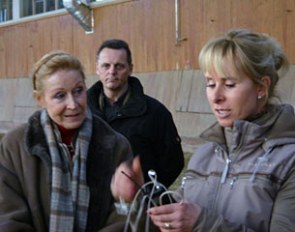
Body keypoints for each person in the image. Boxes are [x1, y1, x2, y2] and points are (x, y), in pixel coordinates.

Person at [111, 28, 295, 232]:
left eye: (230, 84)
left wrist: (202, 223)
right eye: (210, 83)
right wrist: (138, 198)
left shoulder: (289, 162)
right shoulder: (205, 155)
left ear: (262, 87)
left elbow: (195, 220)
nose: (215, 96)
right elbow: (175, 221)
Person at [0, 51, 132, 231]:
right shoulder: (14, 146)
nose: (73, 104)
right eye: (60, 95)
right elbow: (8, 216)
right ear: (40, 99)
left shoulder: (116, 146)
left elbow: (124, 214)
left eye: (78, 91)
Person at [87, 39, 184, 188]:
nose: (112, 71)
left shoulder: (155, 113)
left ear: (130, 69)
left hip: (139, 205)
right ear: (97, 69)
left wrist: (149, 192)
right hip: (93, 204)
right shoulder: (81, 112)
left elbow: (173, 162)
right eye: (106, 65)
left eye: (119, 66)